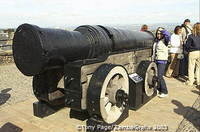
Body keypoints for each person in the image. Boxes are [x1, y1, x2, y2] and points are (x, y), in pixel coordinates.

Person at [152, 27, 170, 98]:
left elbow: (168, 35)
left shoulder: (165, 40)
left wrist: (162, 30)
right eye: (157, 33)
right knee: (157, 76)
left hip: (162, 61)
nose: (159, 35)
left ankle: (165, 91)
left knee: (160, 76)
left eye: (160, 34)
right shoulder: (156, 41)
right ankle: (159, 89)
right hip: (156, 60)